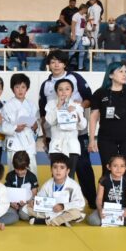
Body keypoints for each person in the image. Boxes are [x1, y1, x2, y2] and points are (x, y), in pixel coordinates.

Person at [38, 49, 96, 208]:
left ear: (65, 64)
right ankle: (60, 203)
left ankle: (91, 201)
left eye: (59, 61)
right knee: (59, 170)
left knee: (83, 167)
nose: (56, 65)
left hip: (77, 134)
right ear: (48, 65)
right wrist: (45, 136)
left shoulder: (74, 78)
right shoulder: (46, 85)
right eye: (52, 62)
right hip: (55, 135)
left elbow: (89, 98)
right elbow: (44, 114)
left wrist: (77, 108)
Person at [88, 62, 126, 195]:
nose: (124, 74)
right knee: (107, 170)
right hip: (106, 139)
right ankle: (107, 200)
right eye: (120, 71)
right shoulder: (100, 93)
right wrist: (91, 140)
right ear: (111, 75)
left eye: (125, 71)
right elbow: (93, 117)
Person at [23, 154, 86, 226]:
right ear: (51, 170)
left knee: (76, 213)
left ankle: (46, 221)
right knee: (26, 208)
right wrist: (34, 202)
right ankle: (61, 222)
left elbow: (81, 203)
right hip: (50, 211)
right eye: (55, 167)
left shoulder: (73, 185)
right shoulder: (48, 184)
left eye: (62, 167)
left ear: (67, 171)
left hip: (65, 211)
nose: (58, 170)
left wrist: (63, 206)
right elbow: (40, 198)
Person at [44, 79, 86, 178]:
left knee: (70, 176)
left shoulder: (77, 105)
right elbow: (49, 121)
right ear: (56, 92)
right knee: (56, 176)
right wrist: (58, 107)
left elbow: (83, 126)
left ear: (72, 91)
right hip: (56, 146)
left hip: (72, 146)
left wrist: (75, 114)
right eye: (60, 89)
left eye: (67, 89)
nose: (64, 92)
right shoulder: (51, 104)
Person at [0, 73, 38, 172]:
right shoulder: (7, 106)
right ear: (12, 89)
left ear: (27, 89)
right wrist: (14, 128)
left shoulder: (32, 105)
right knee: (14, 171)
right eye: (17, 87)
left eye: (23, 87)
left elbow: (36, 123)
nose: (20, 90)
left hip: (28, 143)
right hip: (14, 142)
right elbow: (1, 125)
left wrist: (35, 127)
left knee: (32, 171)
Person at [87, 155, 126, 227]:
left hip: (121, 209)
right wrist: (100, 210)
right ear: (109, 167)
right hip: (105, 209)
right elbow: (99, 198)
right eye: (115, 166)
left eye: (122, 166)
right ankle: (116, 221)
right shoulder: (103, 180)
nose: (119, 169)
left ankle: (115, 220)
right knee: (93, 220)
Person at [4, 150, 38, 222]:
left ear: (27, 166)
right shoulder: (10, 175)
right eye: (17, 169)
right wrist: (11, 203)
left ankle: (20, 214)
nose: (19, 172)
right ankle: (15, 214)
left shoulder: (32, 176)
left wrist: (27, 202)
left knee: (24, 214)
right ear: (13, 166)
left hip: (26, 204)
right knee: (5, 210)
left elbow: (34, 194)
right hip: (12, 204)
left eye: (22, 170)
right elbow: (6, 192)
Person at [69, 4, 89, 70]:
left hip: (81, 36)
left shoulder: (83, 16)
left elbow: (83, 26)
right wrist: (73, 35)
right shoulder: (76, 15)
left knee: (82, 52)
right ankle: (67, 65)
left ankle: (80, 67)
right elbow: (73, 26)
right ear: (83, 9)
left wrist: (88, 34)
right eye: (86, 9)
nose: (86, 11)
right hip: (76, 35)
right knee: (72, 51)